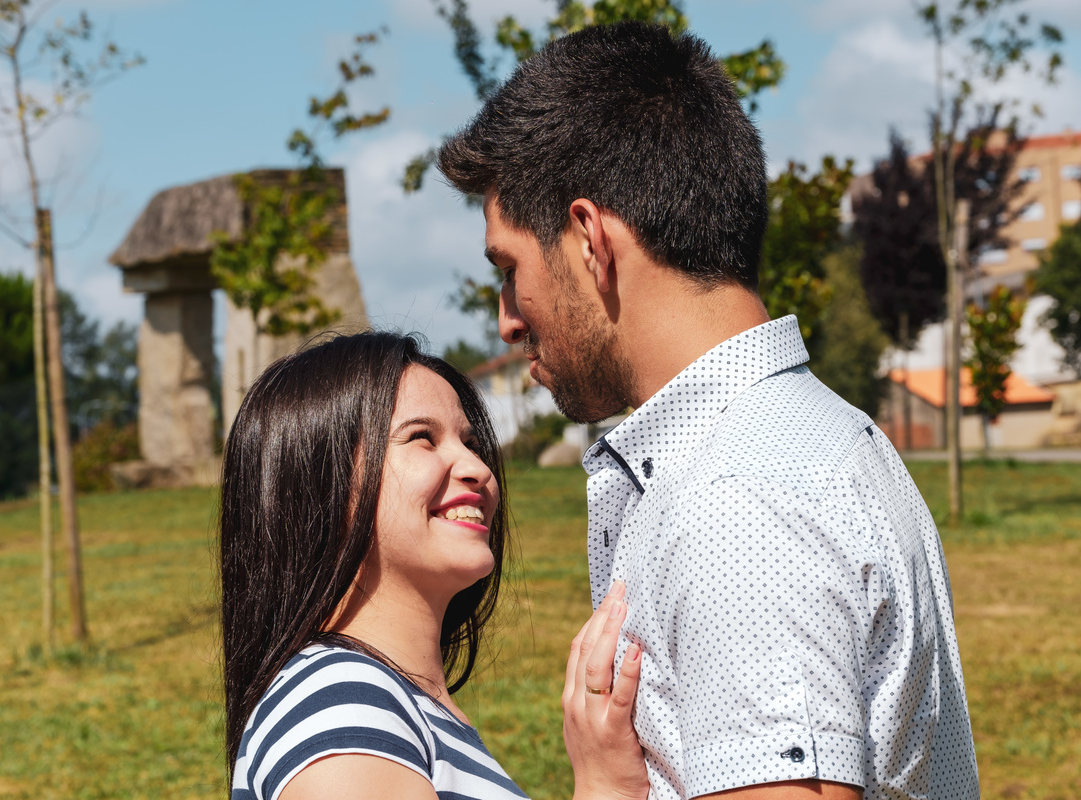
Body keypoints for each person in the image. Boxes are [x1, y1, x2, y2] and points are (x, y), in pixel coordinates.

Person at [437, 21, 980, 800]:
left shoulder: (738, 501)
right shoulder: (814, 437)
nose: (506, 319)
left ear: (590, 240)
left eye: (509, 267)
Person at [220, 331, 649, 800]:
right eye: (422, 437)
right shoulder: (340, 707)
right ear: (320, 482)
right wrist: (603, 787)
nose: (477, 468)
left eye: (471, 442)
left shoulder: (380, 706)